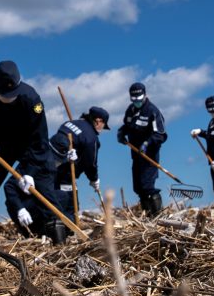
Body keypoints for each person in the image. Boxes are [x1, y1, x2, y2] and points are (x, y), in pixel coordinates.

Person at [0, 61, 60, 257]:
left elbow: (39, 140)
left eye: (12, 94)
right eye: (3, 95)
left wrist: (30, 172)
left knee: (44, 188)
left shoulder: (32, 99)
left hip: (29, 146)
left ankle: (59, 242)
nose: (8, 99)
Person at [49, 106, 109, 222]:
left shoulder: (69, 123)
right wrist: (94, 179)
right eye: (103, 125)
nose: (102, 129)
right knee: (69, 206)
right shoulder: (91, 139)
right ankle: (67, 231)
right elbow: (90, 163)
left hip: (51, 168)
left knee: (55, 198)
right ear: (98, 121)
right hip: (65, 174)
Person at [116, 82, 167, 216]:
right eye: (134, 100)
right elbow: (126, 125)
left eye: (139, 99)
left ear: (145, 95)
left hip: (149, 155)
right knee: (138, 187)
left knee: (147, 185)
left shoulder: (152, 111)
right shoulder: (130, 110)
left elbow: (160, 134)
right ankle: (147, 214)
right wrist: (121, 133)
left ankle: (157, 216)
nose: (137, 102)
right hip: (136, 154)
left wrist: (147, 143)